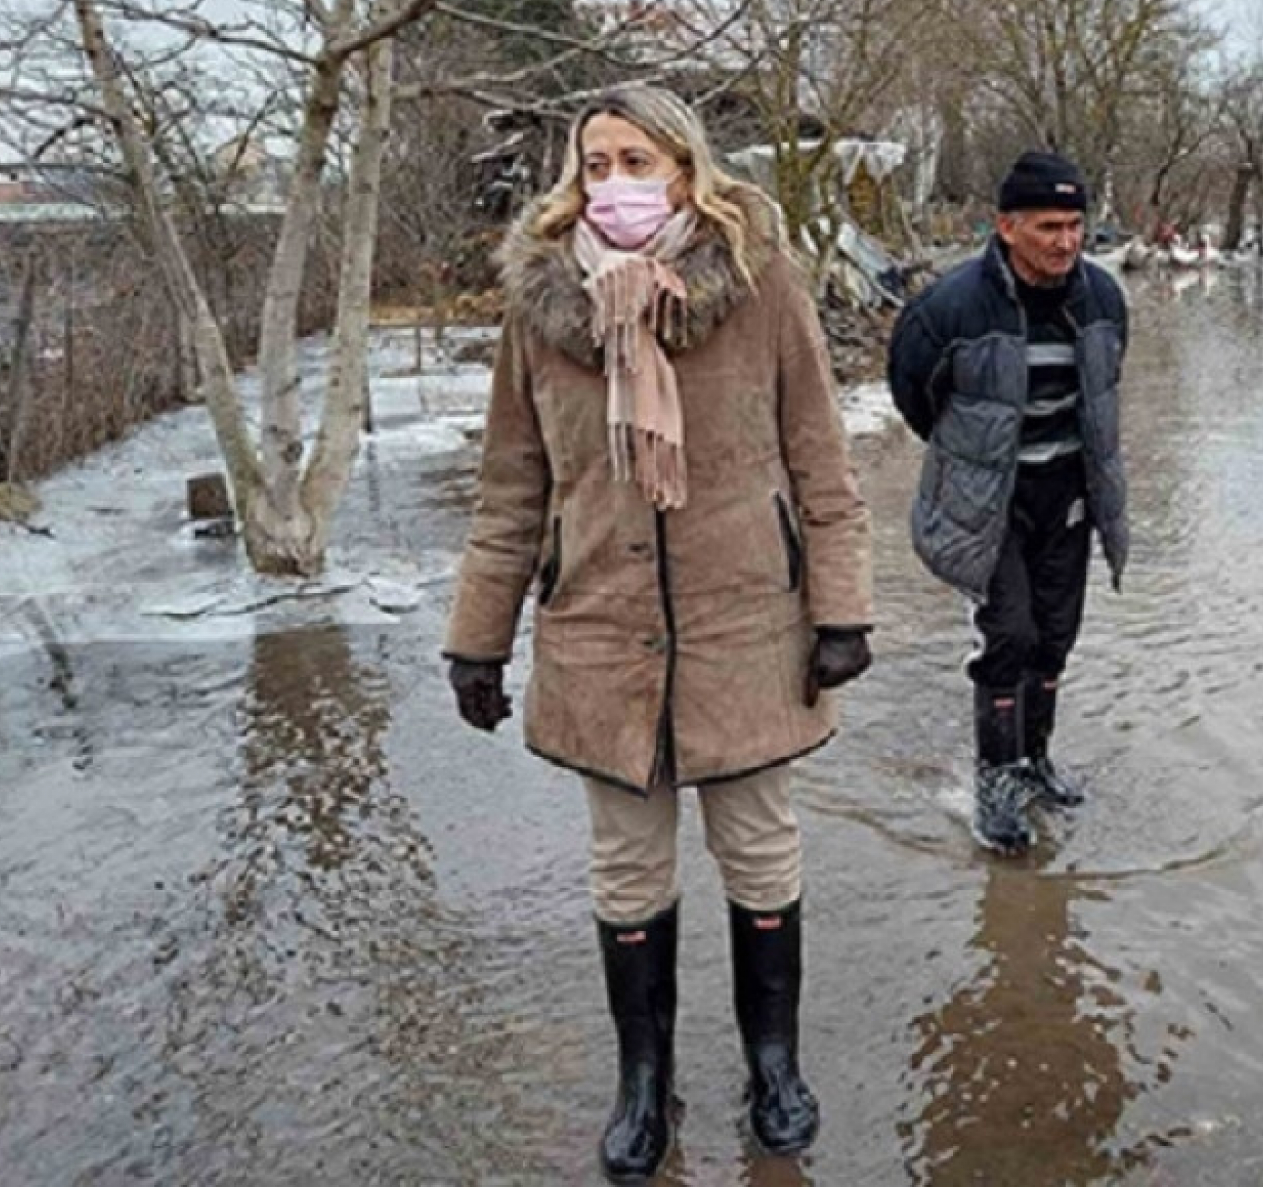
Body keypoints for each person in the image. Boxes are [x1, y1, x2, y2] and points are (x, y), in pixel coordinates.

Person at [442, 86, 873, 1181]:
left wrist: (840, 608)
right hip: (599, 626)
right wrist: (476, 637)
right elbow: (509, 488)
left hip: (746, 626)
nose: (615, 182)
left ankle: (771, 1060)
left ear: (688, 169)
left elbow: (820, 458)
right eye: (596, 164)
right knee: (627, 869)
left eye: (638, 159)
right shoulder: (540, 311)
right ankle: (644, 1079)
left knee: (759, 848)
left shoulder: (762, 284)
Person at [886, 151, 1129, 855]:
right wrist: (973, 459)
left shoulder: (1104, 301)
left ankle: (1036, 760)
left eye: (1076, 225)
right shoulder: (949, 307)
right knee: (1009, 637)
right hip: (988, 501)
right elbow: (913, 394)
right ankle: (995, 778)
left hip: (1068, 494)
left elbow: (1104, 394)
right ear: (1006, 226)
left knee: (1054, 635)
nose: (1065, 241)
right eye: (1049, 226)